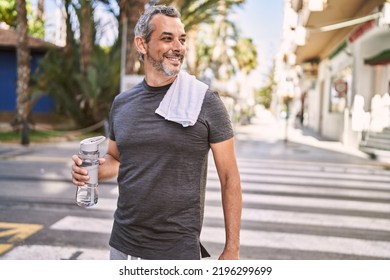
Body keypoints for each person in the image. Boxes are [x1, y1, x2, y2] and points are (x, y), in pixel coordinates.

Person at [71, 4, 242, 260]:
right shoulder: (122, 104)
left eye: (181, 39)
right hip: (122, 245)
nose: (178, 47)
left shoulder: (205, 101)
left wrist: (232, 249)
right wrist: (88, 170)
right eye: (167, 38)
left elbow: (230, 178)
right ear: (142, 44)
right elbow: (117, 160)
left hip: (176, 251)